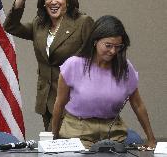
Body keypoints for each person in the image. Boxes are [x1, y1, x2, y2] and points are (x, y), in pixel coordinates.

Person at [3, 0, 94, 131]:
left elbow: (93, 62)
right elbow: (11, 26)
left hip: (73, 100)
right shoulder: (40, 24)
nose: (53, 2)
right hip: (47, 100)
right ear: (43, 2)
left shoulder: (82, 22)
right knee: (52, 148)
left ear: (68, 0)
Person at [52, 15, 156, 149]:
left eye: (118, 46)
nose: (113, 51)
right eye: (108, 45)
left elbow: (138, 105)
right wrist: (53, 137)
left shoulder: (124, 68)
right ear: (95, 41)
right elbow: (59, 104)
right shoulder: (73, 65)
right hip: (78, 130)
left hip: (113, 131)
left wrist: (151, 138)